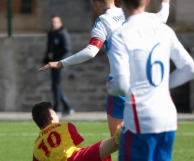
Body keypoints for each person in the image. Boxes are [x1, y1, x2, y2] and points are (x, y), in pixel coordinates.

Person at [107, 0, 194, 161]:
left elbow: (121, 83)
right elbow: (190, 68)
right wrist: (162, 86)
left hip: (141, 117)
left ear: (120, 2)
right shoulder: (163, 29)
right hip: (167, 115)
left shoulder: (120, 34)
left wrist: (112, 88)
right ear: (147, 1)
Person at [39, 0, 170, 136]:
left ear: (98, 3)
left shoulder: (103, 21)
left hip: (120, 83)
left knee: (117, 139)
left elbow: (91, 51)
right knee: (145, 133)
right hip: (145, 81)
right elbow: (162, 18)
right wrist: (165, 2)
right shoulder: (136, 13)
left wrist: (60, 63)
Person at [32, 101, 123, 161]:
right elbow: (79, 149)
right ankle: (133, 127)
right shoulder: (66, 126)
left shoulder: (36, 147)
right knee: (117, 139)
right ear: (51, 117)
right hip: (78, 160)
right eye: (55, 113)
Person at [42, 16, 74, 116]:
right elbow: (49, 49)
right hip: (53, 63)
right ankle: (67, 107)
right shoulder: (51, 34)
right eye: (52, 22)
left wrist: (58, 59)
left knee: (56, 85)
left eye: (55, 22)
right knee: (55, 86)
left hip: (61, 63)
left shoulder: (63, 34)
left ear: (60, 23)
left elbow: (66, 49)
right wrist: (46, 60)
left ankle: (58, 108)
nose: (53, 24)